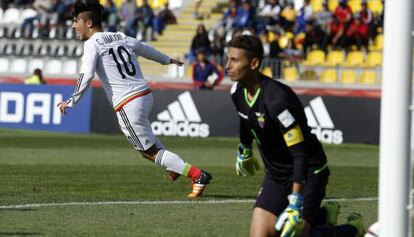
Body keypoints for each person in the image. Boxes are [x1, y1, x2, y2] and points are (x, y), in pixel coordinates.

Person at [57, 0, 212, 198]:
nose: (72, 26)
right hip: (145, 95)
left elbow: (86, 75)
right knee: (147, 142)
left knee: (148, 151)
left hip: (127, 102)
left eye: (76, 21)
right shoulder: (119, 36)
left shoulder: (91, 44)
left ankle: (197, 175)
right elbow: (144, 48)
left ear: (88, 23)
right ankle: (173, 167)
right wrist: (167, 59)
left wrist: (71, 101)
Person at [225, 34, 365, 237]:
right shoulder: (236, 90)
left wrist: (296, 201)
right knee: (260, 234)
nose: (227, 65)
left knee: (294, 233)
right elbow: (244, 118)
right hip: (276, 174)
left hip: (309, 171)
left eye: (235, 60)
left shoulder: (277, 100)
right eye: (228, 58)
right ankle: (323, 214)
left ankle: (352, 230)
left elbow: (300, 154)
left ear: (254, 63)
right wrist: (244, 149)